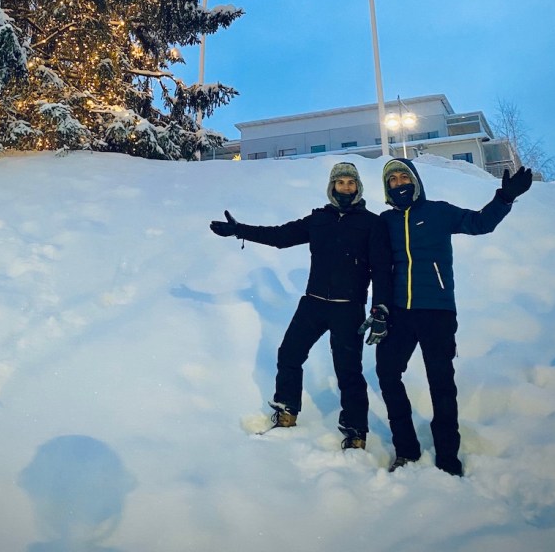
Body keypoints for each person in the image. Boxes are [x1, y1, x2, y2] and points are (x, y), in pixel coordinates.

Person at [210, 162, 391, 448]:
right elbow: (280, 236)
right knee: (289, 354)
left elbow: (381, 269)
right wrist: (239, 230)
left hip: (348, 308)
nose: (345, 187)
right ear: (332, 186)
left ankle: (356, 430)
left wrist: (380, 308)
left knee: (348, 370)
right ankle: (287, 410)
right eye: (340, 182)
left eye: (350, 183)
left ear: (358, 187)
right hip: (313, 304)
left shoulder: (371, 223)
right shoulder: (319, 219)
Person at [375, 157, 533, 477]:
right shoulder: (385, 221)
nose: (399, 183)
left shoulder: (439, 211)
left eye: (404, 177)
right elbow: (374, 262)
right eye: (392, 179)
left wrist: (504, 198)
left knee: (441, 383)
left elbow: (479, 223)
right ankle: (406, 449)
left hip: (437, 311)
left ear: (415, 180)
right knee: (387, 372)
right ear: (387, 187)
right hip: (400, 313)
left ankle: (448, 457)